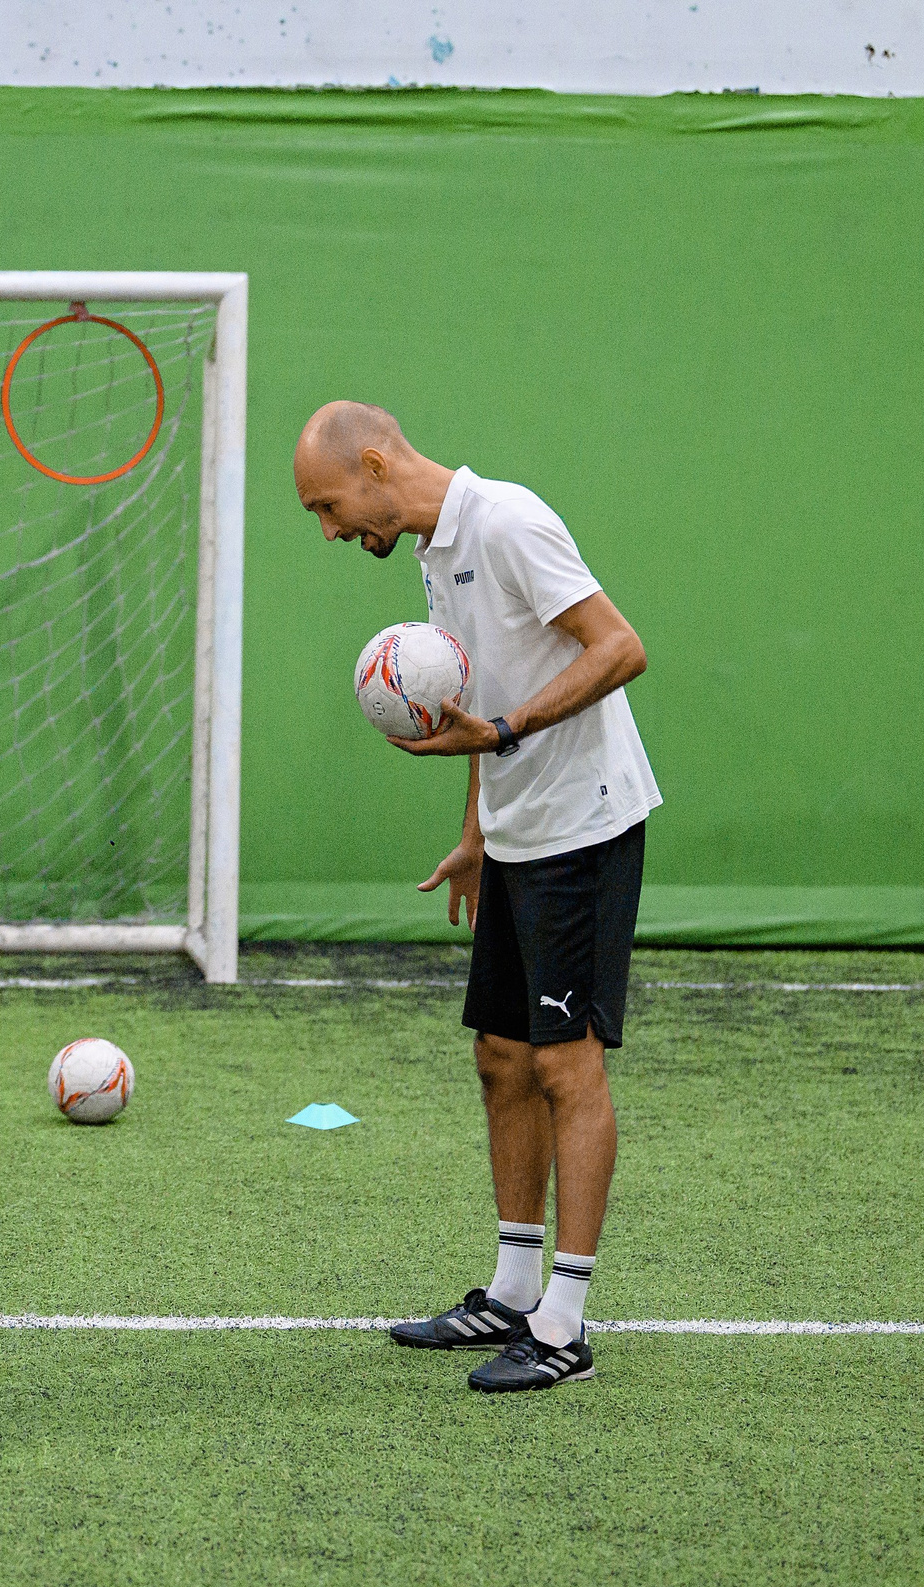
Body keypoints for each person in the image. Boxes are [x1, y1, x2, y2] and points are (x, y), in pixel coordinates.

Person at [294, 401, 661, 1393]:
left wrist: (503, 733)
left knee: (564, 1066)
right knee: (500, 1053)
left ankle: (565, 1323)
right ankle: (509, 1289)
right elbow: (473, 695)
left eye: (328, 505)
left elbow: (618, 646)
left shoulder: (506, 522)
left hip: (583, 827)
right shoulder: (431, 552)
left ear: (375, 463)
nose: (329, 530)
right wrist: (474, 832)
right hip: (517, 832)